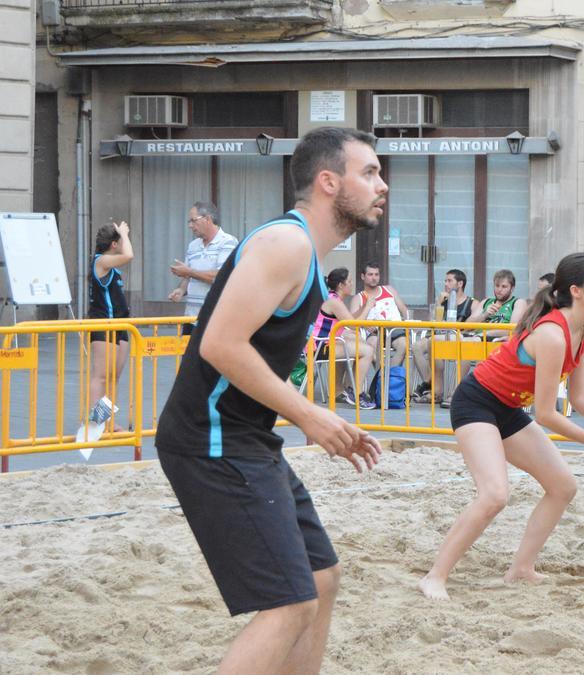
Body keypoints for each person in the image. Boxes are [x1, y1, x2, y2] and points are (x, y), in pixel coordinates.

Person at [155, 127, 384, 673]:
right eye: (370, 172)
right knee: (289, 601)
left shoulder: (302, 252)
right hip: (210, 439)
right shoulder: (288, 244)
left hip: (246, 437)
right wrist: (309, 414)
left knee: (321, 580)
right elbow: (220, 344)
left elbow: (256, 352)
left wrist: (306, 410)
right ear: (329, 182)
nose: (383, 184)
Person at [419, 252, 584, 600]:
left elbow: (579, 398)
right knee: (494, 495)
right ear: (576, 290)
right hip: (477, 402)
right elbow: (547, 414)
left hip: (508, 407)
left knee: (563, 486)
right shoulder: (553, 333)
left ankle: (521, 569)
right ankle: (435, 576)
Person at [86, 220, 134, 427]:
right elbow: (129, 255)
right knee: (101, 376)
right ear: (114, 244)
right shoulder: (101, 261)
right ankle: (96, 423)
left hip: (120, 325)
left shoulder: (111, 265)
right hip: (104, 324)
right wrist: (124, 233)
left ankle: (107, 420)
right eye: (121, 240)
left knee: (113, 376)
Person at [312, 267, 378, 409]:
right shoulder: (334, 302)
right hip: (319, 346)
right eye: (349, 281)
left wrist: (364, 306)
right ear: (341, 285)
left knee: (356, 341)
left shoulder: (333, 298)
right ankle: (357, 393)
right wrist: (369, 306)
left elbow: (349, 320)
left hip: (323, 343)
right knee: (367, 351)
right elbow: (354, 325)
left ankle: (342, 389)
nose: (352, 284)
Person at [412, 269, 482, 405]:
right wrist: (438, 303)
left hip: (460, 338)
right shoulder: (443, 300)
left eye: (449, 281)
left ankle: (433, 389)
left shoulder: (473, 303)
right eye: (445, 281)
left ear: (460, 283)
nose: (446, 284)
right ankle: (432, 382)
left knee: (436, 342)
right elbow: (432, 321)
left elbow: (473, 326)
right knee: (416, 347)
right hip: (440, 335)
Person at [167, 202, 238, 334]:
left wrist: (189, 272)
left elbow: (220, 276)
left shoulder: (228, 242)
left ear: (208, 219)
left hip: (215, 319)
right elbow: (188, 277)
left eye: (193, 221)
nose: (190, 226)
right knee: (187, 355)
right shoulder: (193, 245)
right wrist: (181, 290)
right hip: (191, 318)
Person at [348, 261, 411, 363]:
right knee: (372, 344)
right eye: (370, 274)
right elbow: (351, 321)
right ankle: (382, 376)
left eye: (376, 274)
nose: (374, 278)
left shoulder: (389, 289)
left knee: (404, 345)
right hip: (374, 333)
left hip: (395, 329)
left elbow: (404, 310)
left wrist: (410, 323)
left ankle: (389, 375)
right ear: (363, 276)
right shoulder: (358, 298)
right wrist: (364, 325)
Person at [466, 268, 528, 341]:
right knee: (452, 337)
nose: (499, 290)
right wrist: (484, 315)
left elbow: (513, 329)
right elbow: (466, 326)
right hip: (476, 338)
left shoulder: (518, 302)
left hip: (495, 340)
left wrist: (485, 334)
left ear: (512, 288)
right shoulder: (486, 301)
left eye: (504, 286)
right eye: (497, 286)